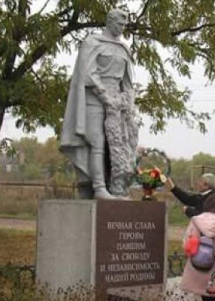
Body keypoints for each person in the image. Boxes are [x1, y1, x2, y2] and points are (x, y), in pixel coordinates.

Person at [61, 9, 138, 200]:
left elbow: (127, 82)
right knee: (97, 142)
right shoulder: (92, 42)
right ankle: (98, 187)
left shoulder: (123, 48)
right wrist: (105, 96)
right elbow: (87, 73)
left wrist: (127, 102)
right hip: (94, 98)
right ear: (110, 22)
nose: (122, 28)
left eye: (124, 25)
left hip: (117, 102)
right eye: (120, 24)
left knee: (118, 145)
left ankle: (117, 187)